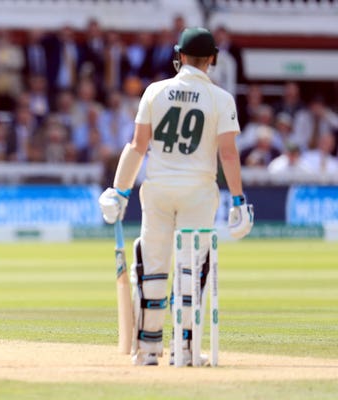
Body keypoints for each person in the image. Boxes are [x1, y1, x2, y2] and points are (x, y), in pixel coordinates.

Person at [98, 28, 254, 366]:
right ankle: (184, 349)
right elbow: (227, 155)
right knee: (190, 270)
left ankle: (149, 349)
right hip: (198, 191)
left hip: (157, 188)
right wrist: (240, 202)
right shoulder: (221, 98)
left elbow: (138, 146)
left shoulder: (155, 91)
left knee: (152, 268)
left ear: (179, 55)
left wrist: (118, 190)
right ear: (212, 58)